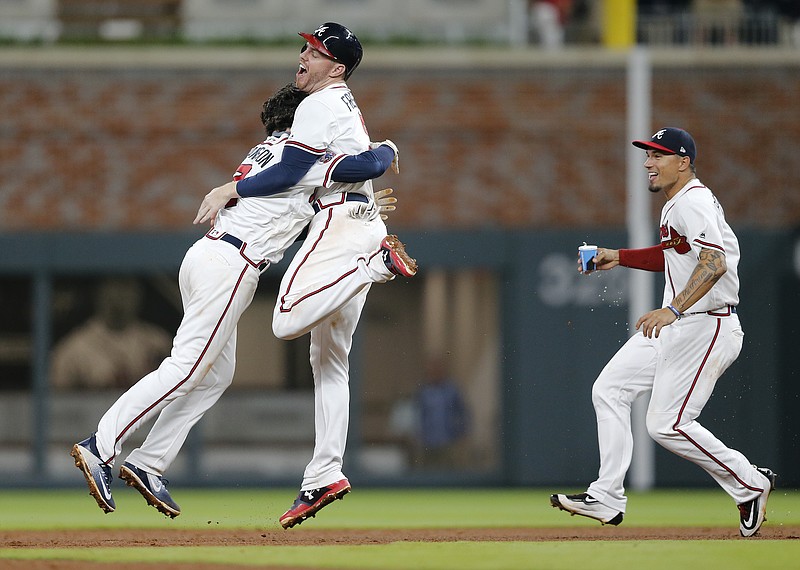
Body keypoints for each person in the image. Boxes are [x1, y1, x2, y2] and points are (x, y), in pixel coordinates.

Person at [70, 83, 401, 518]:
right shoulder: (302, 157)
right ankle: (102, 446)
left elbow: (302, 209)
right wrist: (387, 150)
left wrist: (358, 206)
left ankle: (148, 463)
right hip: (232, 263)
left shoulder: (265, 150)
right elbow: (366, 164)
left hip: (208, 256)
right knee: (186, 368)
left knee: (213, 375)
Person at [195, 22, 418, 530]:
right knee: (330, 362)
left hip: (343, 225)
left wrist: (235, 190)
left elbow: (291, 173)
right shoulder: (341, 104)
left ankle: (377, 267)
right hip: (363, 217)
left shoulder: (318, 103)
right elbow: (355, 164)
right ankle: (325, 474)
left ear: (336, 68)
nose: (304, 55)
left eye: (316, 52)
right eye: (306, 47)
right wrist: (382, 153)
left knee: (284, 319)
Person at [550, 127, 776, 537]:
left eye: (657, 156)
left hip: (708, 324)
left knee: (667, 424)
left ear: (683, 160)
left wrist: (673, 308)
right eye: (647, 155)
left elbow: (714, 262)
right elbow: (677, 255)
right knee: (609, 390)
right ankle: (606, 497)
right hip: (685, 324)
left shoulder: (693, 201)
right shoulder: (678, 204)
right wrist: (618, 257)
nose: (648, 163)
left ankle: (749, 483)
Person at [51, 276, 172, 390]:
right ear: (98, 293)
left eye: (126, 286)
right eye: (112, 285)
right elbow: (59, 406)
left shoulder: (158, 342)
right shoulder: (72, 350)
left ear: (139, 293)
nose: (119, 295)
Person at [415, 357, 470, 469]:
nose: (434, 371)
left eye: (437, 368)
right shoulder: (424, 391)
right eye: (431, 368)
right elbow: (419, 414)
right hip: (428, 441)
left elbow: (462, 412)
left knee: (448, 470)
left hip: (448, 440)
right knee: (429, 471)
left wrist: (462, 431)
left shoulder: (451, 390)